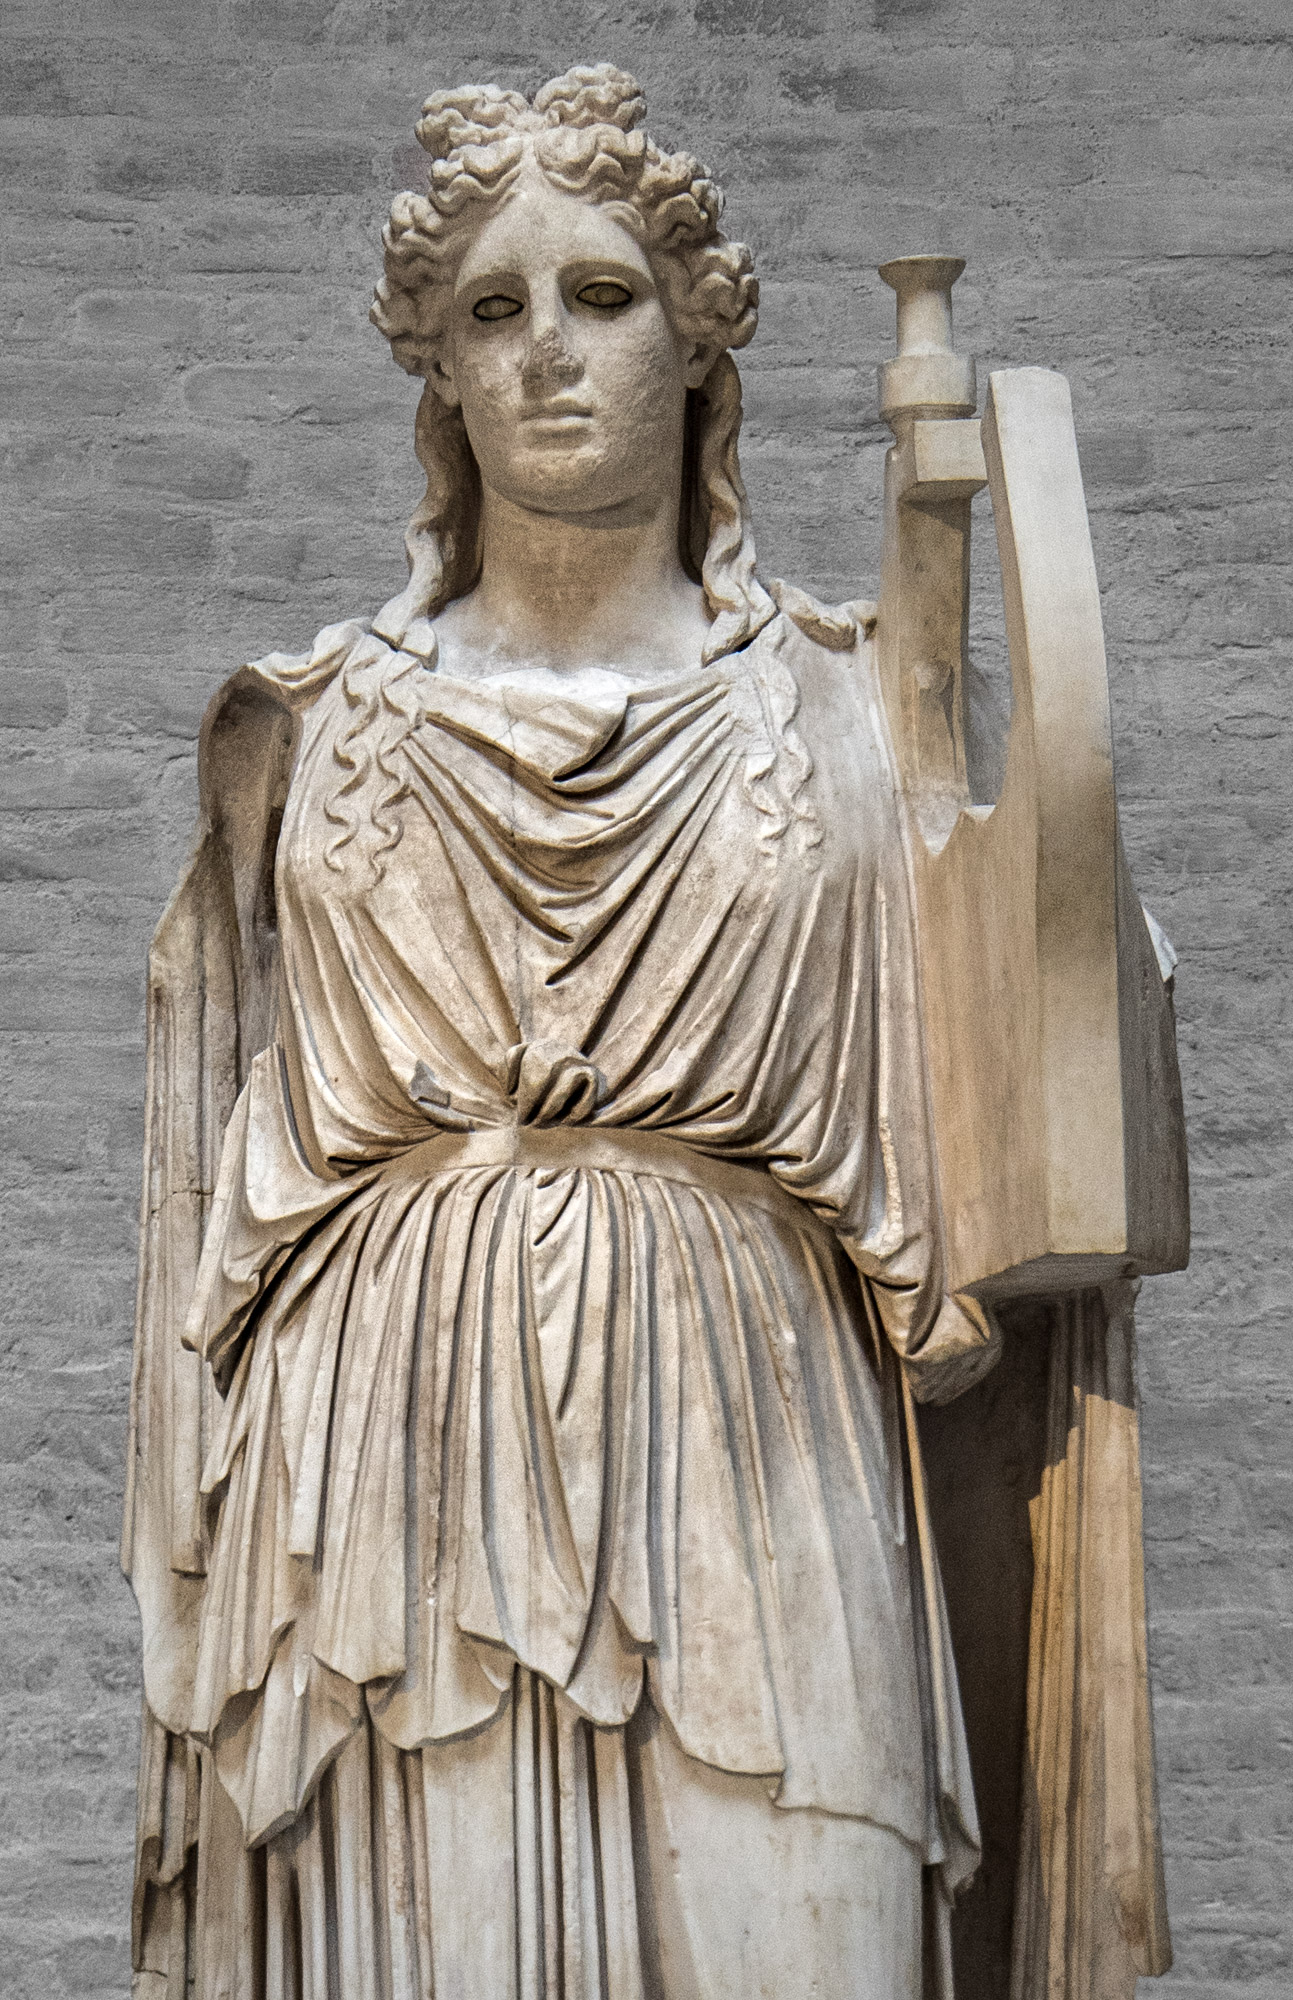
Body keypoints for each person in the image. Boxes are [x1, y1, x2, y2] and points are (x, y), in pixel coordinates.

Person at [124, 62, 1002, 2000]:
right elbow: (204, 1217)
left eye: (601, 296)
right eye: (490, 311)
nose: (545, 350)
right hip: (389, 1468)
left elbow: (1018, 1072)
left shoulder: (849, 702)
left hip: (755, 1423)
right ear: (437, 374)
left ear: (696, 343)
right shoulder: (305, 725)